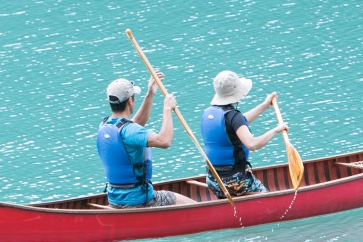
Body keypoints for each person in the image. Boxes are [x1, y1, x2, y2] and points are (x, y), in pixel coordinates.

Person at [96, 75, 194, 208]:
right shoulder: (130, 131)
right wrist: (167, 109)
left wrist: (150, 95)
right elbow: (165, 141)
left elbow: (133, 125)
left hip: (115, 199)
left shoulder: (105, 126)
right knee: (191, 203)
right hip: (140, 200)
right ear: (131, 101)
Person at [199, 70, 289, 198]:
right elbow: (252, 144)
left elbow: (237, 124)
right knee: (265, 196)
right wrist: (276, 130)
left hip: (213, 180)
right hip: (234, 181)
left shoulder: (209, 113)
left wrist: (264, 106)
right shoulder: (233, 116)